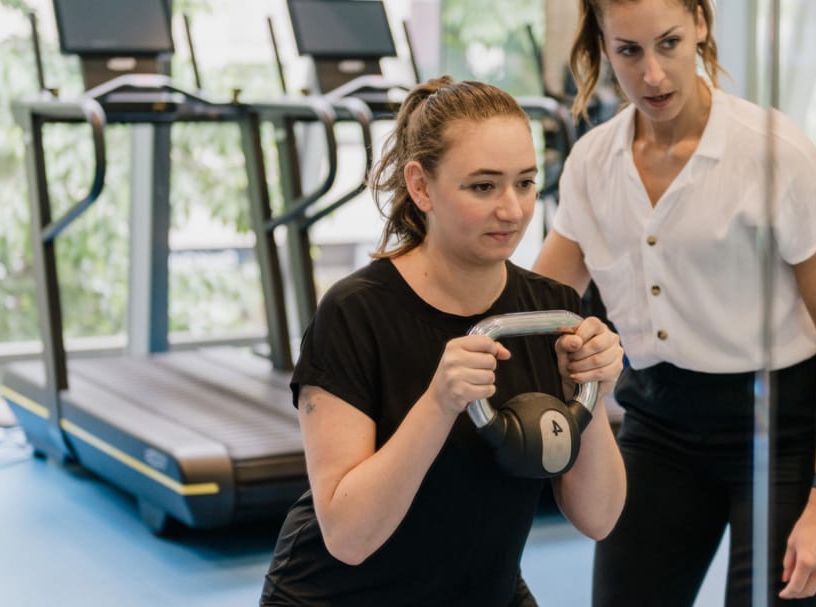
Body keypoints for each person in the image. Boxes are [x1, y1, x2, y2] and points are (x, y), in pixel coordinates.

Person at [532, 1, 816, 605]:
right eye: (629, 51)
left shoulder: (774, 153)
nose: (653, 75)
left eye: (669, 43)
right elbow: (537, 302)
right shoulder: (592, 162)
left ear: (701, 24)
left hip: (784, 434)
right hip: (659, 429)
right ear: (604, 47)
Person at [259, 76, 627, 607]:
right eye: (483, 186)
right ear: (421, 185)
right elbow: (347, 536)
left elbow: (599, 518)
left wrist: (587, 390)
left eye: (525, 182)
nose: (513, 210)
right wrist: (439, 402)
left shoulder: (550, 312)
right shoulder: (355, 313)